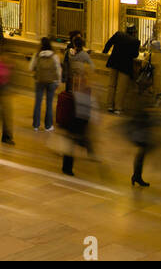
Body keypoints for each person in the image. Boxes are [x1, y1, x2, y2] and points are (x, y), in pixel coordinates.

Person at [60, 41, 95, 176]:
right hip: (77, 113)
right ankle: (87, 150)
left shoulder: (69, 53)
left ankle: (69, 162)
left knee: (73, 138)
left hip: (73, 104)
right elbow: (93, 66)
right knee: (76, 136)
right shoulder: (84, 58)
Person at [102, 25, 141, 114]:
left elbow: (109, 43)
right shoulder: (135, 41)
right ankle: (118, 108)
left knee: (112, 85)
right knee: (121, 88)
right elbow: (135, 55)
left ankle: (109, 106)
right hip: (125, 66)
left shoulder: (118, 34)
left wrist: (105, 52)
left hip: (114, 62)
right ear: (134, 32)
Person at [30, 36, 62, 131]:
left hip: (39, 81)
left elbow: (31, 67)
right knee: (49, 104)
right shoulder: (55, 56)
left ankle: (36, 125)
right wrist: (58, 82)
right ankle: (48, 126)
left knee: (37, 103)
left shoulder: (37, 55)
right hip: (52, 82)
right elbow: (58, 70)